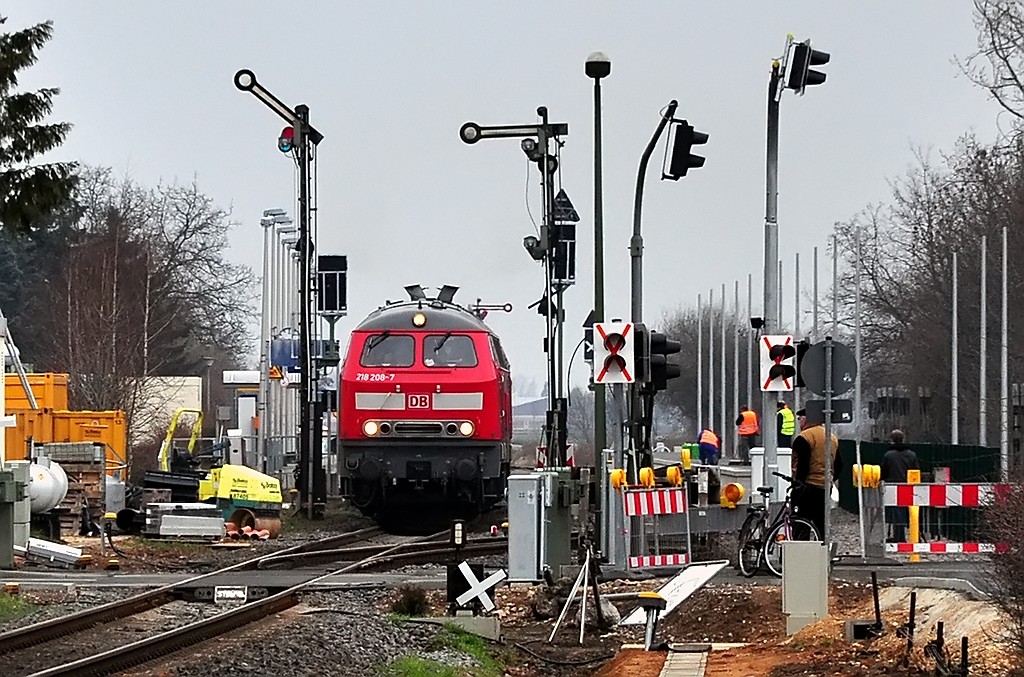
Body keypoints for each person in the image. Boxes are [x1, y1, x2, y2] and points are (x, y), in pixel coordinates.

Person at [790, 415, 842, 540]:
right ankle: (822, 549)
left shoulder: (804, 437)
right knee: (821, 525)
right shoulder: (832, 437)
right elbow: (839, 465)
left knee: (801, 525)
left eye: (800, 419)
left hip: (806, 487)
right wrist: (829, 479)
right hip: (824, 488)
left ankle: (802, 550)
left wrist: (797, 485)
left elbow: (803, 465)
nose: (799, 422)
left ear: (806, 419)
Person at [881, 429, 919, 543]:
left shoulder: (888, 455)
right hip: (909, 486)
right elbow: (916, 470)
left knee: (897, 512)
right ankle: (914, 536)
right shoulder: (911, 455)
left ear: (892, 440)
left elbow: (883, 472)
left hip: (893, 486)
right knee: (912, 511)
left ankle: (899, 537)